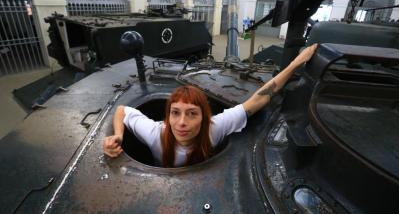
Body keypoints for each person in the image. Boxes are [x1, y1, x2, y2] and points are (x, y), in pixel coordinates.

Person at [103, 44, 318, 167]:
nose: (181, 123)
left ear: (204, 118)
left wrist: (295, 64)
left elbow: (259, 99)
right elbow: (122, 111)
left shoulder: (214, 128)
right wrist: (119, 137)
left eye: (192, 114)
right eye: (175, 113)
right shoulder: (155, 133)